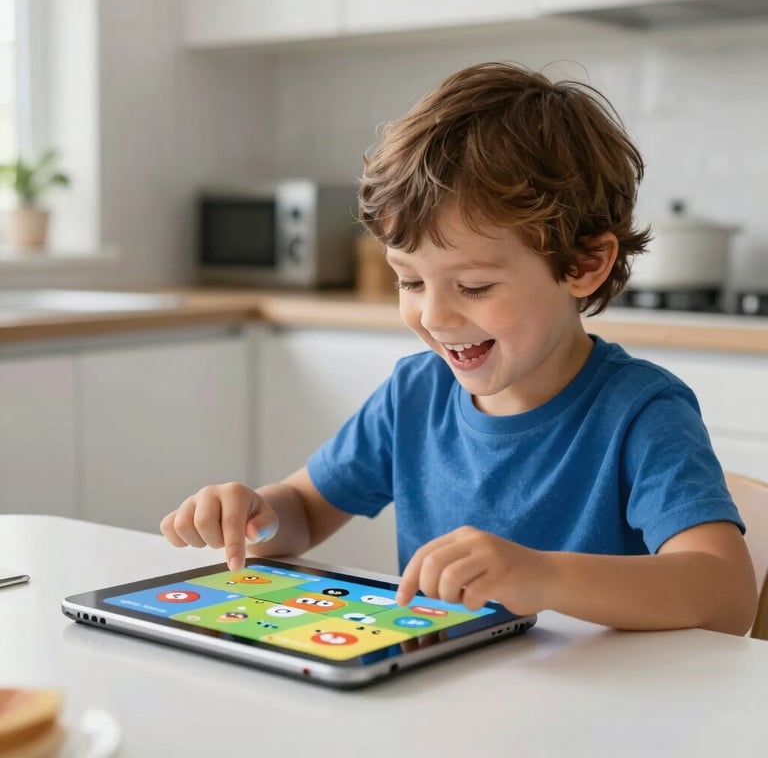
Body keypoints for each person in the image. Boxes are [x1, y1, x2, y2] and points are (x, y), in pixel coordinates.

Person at [161, 62, 757, 635]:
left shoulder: (642, 412)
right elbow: (306, 510)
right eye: (410, 281)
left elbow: (724, 594)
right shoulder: (414, 393)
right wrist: (254, 513)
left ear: (583, 264)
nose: (434, 316)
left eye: (473, 286)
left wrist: (544, 575)